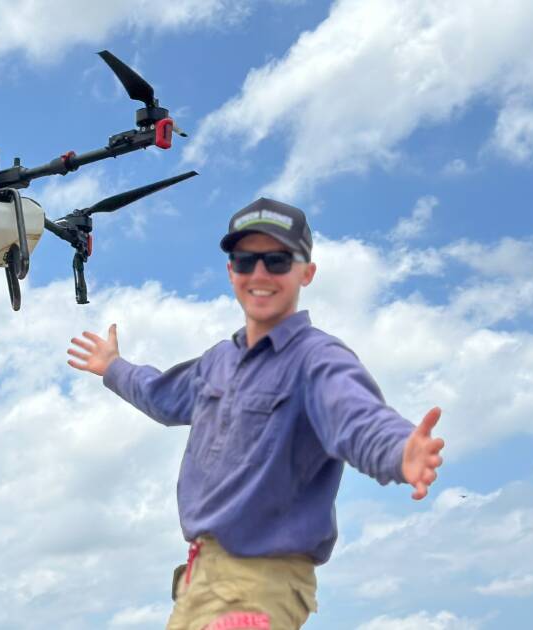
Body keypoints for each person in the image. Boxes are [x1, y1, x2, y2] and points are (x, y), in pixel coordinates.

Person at [66, 197, 445, 630]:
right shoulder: (218, 361)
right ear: (231, 272)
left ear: (306, 272)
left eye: (277, 260)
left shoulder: (318, 360)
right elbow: (162, 396)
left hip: (263, 586)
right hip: (199, 580)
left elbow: (357, 417)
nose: (260, 274)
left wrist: (400, 451)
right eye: (246, 261)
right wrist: (113, 367)